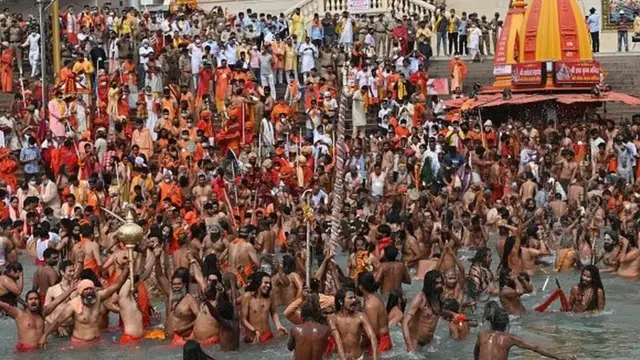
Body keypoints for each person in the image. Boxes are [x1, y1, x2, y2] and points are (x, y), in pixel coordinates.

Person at [40, 268, 128, 347]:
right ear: (80, 292)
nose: (89, 292)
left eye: (90, 289)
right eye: (85, 290)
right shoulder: (73, 306)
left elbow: (117, 284)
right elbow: (57, 322)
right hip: (80, 345)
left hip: (97, 342)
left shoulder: (98, 297)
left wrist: (127, 267)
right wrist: (45, 336)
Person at [474, 301, 574, 360]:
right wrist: (559, 357)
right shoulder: (509, 338)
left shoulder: (482, 335)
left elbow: (476, 354)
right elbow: (535, 348)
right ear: (506, 323)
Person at [0, 285, 76, 351]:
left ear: (39, 302)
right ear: (26, 302)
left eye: (36, 299)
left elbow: (57, 301)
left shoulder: (42, 313)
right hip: (25, 352)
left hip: (40, 349)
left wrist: (71, 289)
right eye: (30, 299)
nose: (33, 301)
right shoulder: (19, 313)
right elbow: (3, 305)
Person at [402, 270, 444, 351]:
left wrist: (453, 315)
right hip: (415, 344)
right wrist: (409, 344)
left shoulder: (439, 297)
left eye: (441, 282)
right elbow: (405, 322)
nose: (440, 285)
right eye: (436, 283)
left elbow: (439, 313)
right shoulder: (420, 299)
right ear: (429, 284)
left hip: (429, 344)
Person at [240, 271, 287, 343]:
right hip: (253, 337)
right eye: (266, 283)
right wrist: (254, 331)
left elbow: (274, 312)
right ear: (258, 283)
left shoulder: (270, 295)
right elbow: (243, 319)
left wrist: (278, 325)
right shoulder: (247, 296)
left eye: (269, 283)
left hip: (267, 335)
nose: (268, 285)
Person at [332, 287, 378, 360]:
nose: (354, 300)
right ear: (341, 301)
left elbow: (372, 337)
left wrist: (375, 358)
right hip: (340, 358)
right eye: (350, 298)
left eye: (354, 297)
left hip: (359, 357)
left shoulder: (361, 316)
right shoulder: (333, 318)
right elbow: (338, 342)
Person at [358, 271, 392, 355]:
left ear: (361, 287)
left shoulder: (370, 305)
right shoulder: (374, 298)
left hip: (380, 343)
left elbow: (373, 332)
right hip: (382, 340)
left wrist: (357, 345)